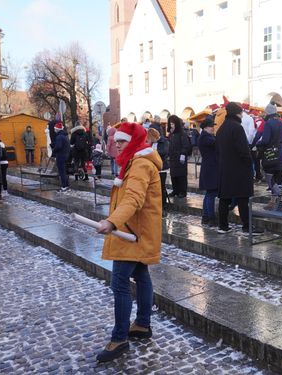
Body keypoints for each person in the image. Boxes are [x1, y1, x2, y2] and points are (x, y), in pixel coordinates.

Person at [95, 122, 162, 363]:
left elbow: (133, 198)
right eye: (116, 141)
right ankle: (142, 324)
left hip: (132, 233)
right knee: (142, 275)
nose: (117, 144)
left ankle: (120, 338)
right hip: (133, 231)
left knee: (120, 282)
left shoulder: (140, 164)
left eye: (122, 141)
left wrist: (112, 222)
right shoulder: (134, 161)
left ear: (133, 141)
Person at [216, 102, 263, 235]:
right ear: (237, 113)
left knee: (224, 198)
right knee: (243, 197)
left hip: (225, 168)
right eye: (241, 112)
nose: (242, 115)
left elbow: (217, 150)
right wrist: (250, 165)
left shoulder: (221, 128)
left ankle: (223, 226)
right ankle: (247, 227)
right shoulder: (237, 128)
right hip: (239, 168)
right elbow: (244, 150)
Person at [257, 103, 282, 207]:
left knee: (269, 177)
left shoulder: (268, 123)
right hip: (281, 153)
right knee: (278, 177)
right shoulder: (281, 123)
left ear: (268, 112)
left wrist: (257, 143)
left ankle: (278, 197)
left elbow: (265, 140)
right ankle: (274, 201)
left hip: (270, 154)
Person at [197, 117, 218, 226]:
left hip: (209, 168)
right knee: (211, 194)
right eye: (211, 126)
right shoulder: (206, 138)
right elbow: (216, 143)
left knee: (209, 194)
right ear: (205, 127)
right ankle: (211, 218)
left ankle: (206, 217)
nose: (213, 128)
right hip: (210, 169)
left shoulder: (205, 137)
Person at [167, 115, 190, 198]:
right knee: (173, 175)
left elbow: (185, 145)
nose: (171, 125)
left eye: (173, 124)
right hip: (173, 158)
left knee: (181, 175)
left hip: (180, 157)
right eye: (170, 124)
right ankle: (175, 190)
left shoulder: (182, 133)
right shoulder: (171, 134)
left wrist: (183, 154)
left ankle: (182, 191)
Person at [53, 122, 71, 192]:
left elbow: (58, 147)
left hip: (60, 156)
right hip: (66, 155)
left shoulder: (59, 137)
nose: (54, 130)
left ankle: (64, 186)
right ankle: (66, 185)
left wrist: (54, 150)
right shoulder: (65, 136)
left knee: (61, 172)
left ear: (57, 129)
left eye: (55, 129)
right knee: (65, 171)